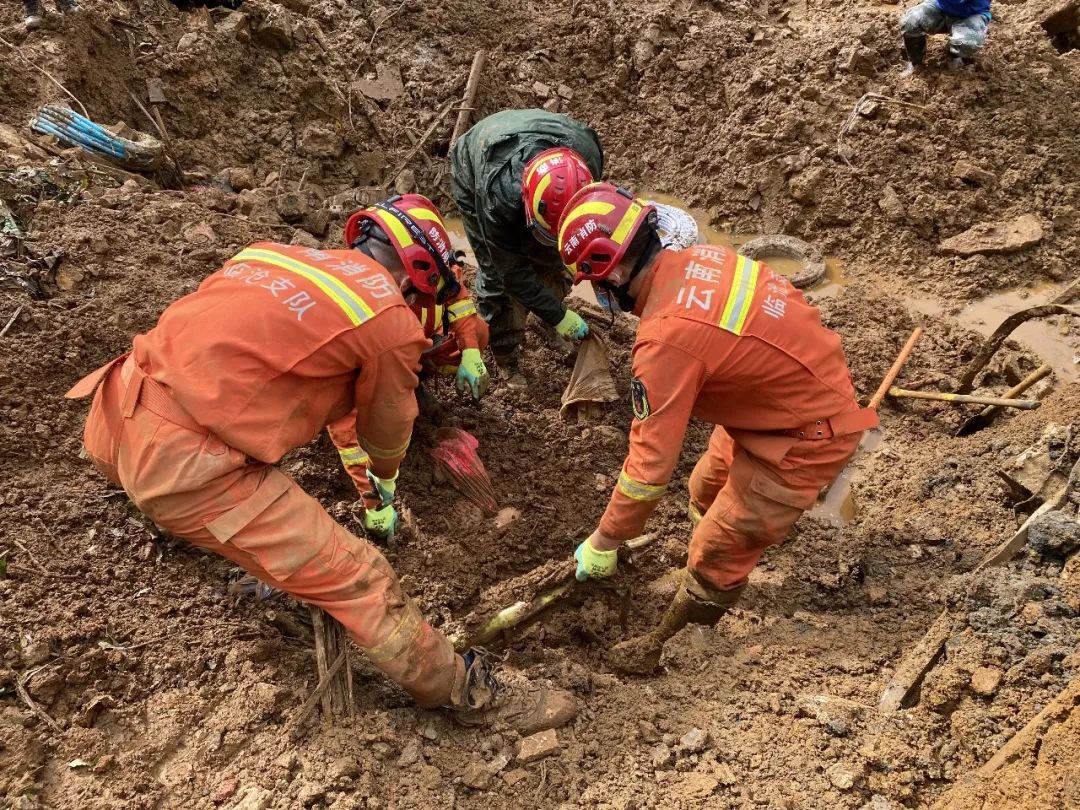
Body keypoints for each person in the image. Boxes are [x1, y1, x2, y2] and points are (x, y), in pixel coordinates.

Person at [65, 197, 573, 724]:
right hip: (187, 467)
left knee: (208, 486)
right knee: (362, 577)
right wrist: (385, 478)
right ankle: (471, 696)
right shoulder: (389, 317)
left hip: (112, 412)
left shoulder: (270, 255)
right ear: (417, 275)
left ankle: (178, 516)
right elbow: (386, 424)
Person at [558, 184, 879, 673]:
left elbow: (647, 469)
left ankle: (686, 630)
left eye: (593, 279)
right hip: (770, 404)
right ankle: (725, 544)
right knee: (703, 486)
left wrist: (605, 540)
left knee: (718, 546)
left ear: (616, 271)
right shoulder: (705, 258)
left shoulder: (666, 337)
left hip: (806, 435)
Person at [325, 194, 490, 501]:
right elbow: (345, 418)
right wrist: (373, 493)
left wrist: (469, 351)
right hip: (376, 367)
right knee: (379, 408)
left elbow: (458, 297)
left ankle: (416, 384)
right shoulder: (354, 318)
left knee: (477, 331)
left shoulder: (427, 261)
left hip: (419, 347)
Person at [449, 109, 603, 389]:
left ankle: (547, 322)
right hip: (477, 162)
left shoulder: (588, 162)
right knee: (497, 279)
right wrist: (560, 315)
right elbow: (511, 273)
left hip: (550, 139)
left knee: (554, 260)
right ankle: (506, 354)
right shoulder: (499, 197)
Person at [900, 0, 991, 72]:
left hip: (972, 14)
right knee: (910, 22)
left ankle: (954, 56)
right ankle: (915, 63)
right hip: (941, 6)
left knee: (968, 42)